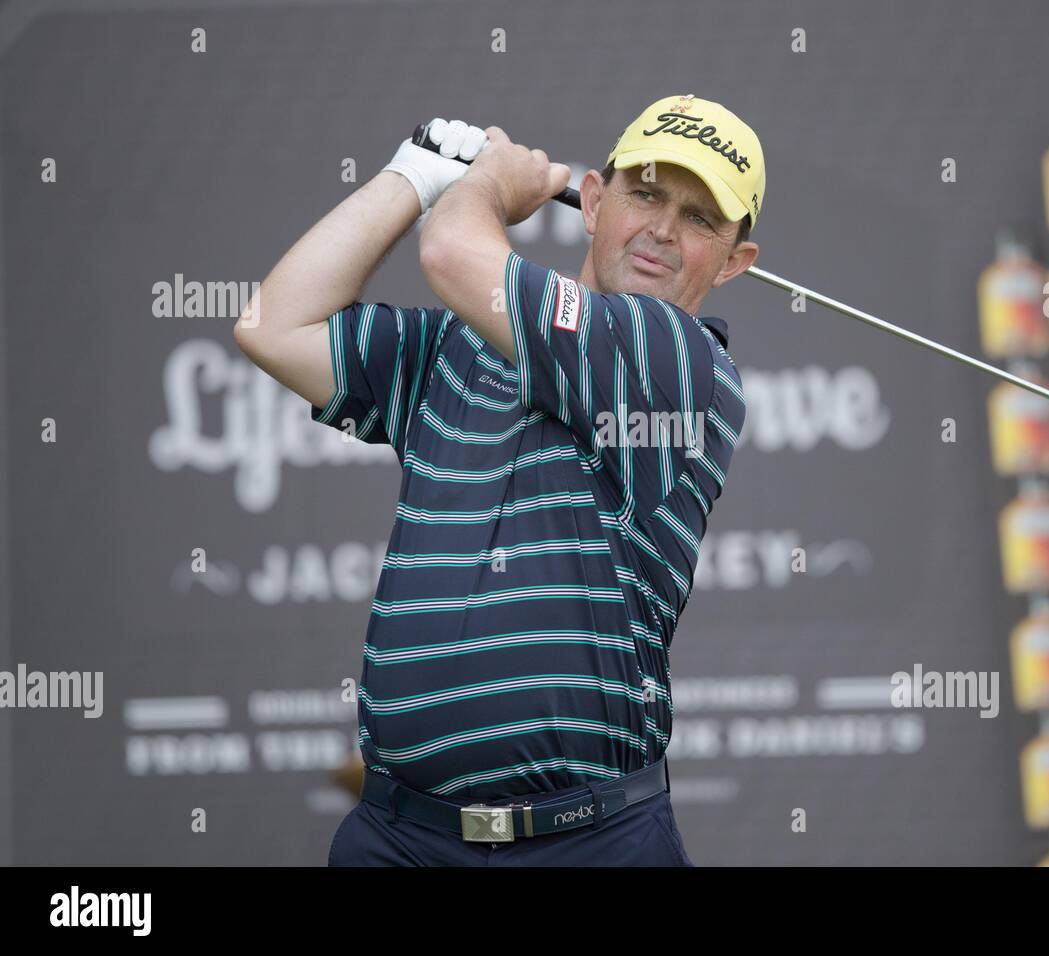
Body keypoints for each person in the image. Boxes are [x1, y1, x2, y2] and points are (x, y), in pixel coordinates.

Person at [234, 93, 764, 866]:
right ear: (591, 200)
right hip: (400, 838)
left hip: (590, 842)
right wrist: (407, 179)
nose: (661, 229)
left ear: (734, 261)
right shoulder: (456, 351)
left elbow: (452, 255)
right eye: (645, 193)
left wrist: (487, 184)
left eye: (700, 218)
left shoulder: (681, 361)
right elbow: (273, 326)